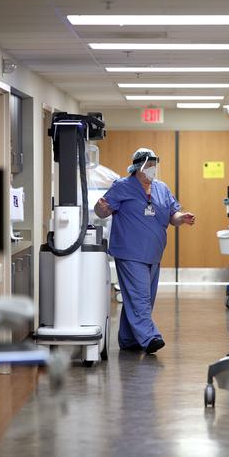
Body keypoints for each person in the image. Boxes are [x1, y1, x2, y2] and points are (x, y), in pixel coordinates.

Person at [94, 148, 196, 354]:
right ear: (137, 167)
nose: (152, 170)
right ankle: (150, 338)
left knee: (141, 297)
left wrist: (182, 218)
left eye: (154, 165)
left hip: (153, 253)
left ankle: (128, 339)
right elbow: (102, 211)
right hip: (129, 252)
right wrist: (101, 208)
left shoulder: (162, 189)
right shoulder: (122, 186)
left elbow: (172, 215)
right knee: (140, 297)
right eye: (148, 165)